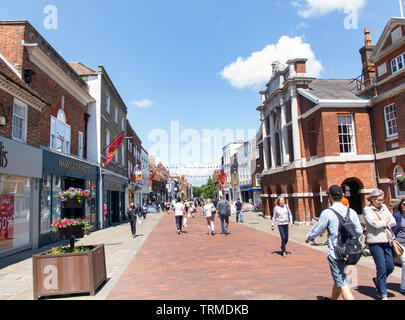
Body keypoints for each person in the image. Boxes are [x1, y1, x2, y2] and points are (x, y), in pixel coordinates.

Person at [305, 185, 362, 300]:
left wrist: (309, 237)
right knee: (339, 278)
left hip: (336, 252)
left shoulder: (328, 213)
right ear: (342, 195)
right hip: (351, 250)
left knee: (343, 282)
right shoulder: (351, 212)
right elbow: (359, 231)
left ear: (329, 196)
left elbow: (318, 228)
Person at [364, 189, 397, 300]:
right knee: (381, 268)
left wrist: (384, 222)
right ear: (372, 199)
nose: (381, 202)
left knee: (390, 266)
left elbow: (393, 221)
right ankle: (383, 294)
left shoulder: (384, 208)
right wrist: (385, 221)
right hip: (375, 242)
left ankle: (378, 280)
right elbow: (374, 224)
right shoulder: (367, 209)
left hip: (387, 240)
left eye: (382, 200)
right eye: (379, 200)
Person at [393, 197, 405, 293]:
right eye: (404, 204)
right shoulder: (397, 216)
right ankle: (404, 287)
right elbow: (391, 228)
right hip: (400, 243)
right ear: (401, 205)